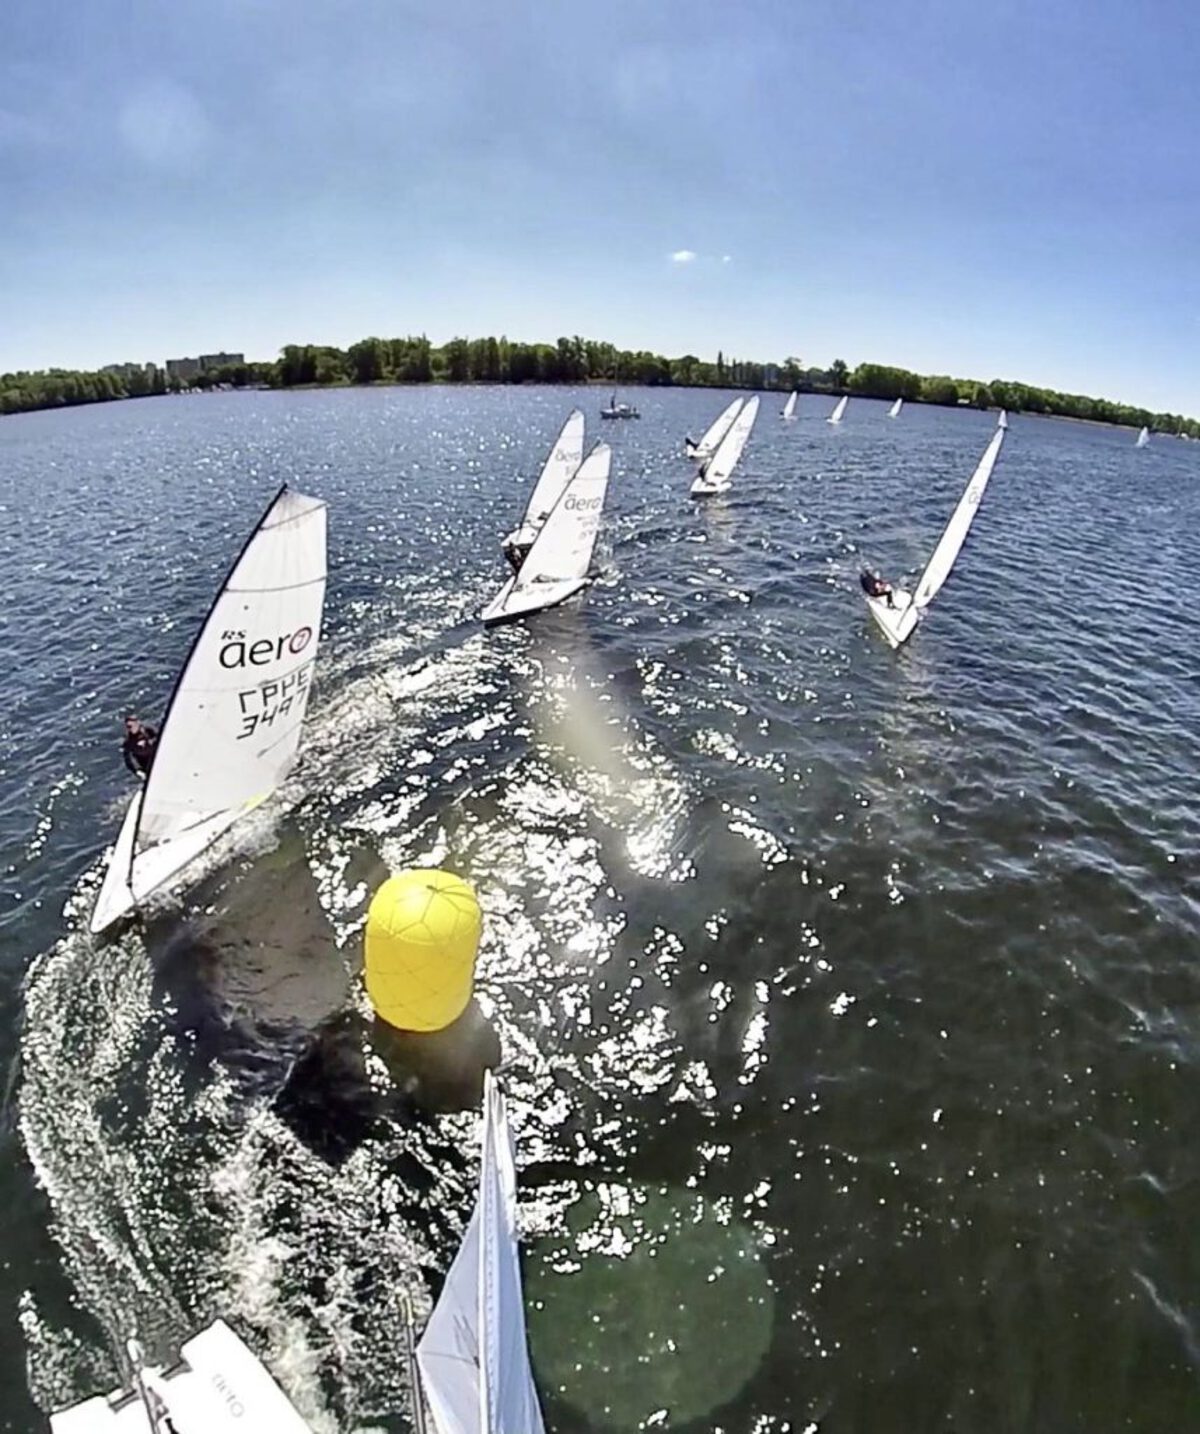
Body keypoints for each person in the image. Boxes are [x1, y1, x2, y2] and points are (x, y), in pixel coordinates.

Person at [122, 714, 158, 778]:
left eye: (131, 726)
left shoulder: (148, 730)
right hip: (146, 764)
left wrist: (152, 741)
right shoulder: (128, 742)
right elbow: (128, 759)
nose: (130, 729)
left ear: (137, 723)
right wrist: (137, 770)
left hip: (156, 755)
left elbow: (159, 737)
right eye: (128, 727)